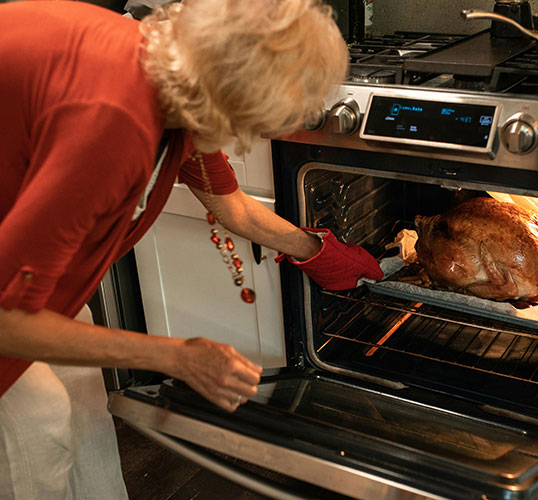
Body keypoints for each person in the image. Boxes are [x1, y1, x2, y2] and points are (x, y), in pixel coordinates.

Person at [0, 0, 383, 498]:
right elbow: (8, 319)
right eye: (255, 121)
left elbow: (234, 209)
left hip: (21, 260)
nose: (249, 139)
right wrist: (179, 356)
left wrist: (319, 251)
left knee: (81, 394)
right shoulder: (114, 117)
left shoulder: (175, 73)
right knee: (38, 422)